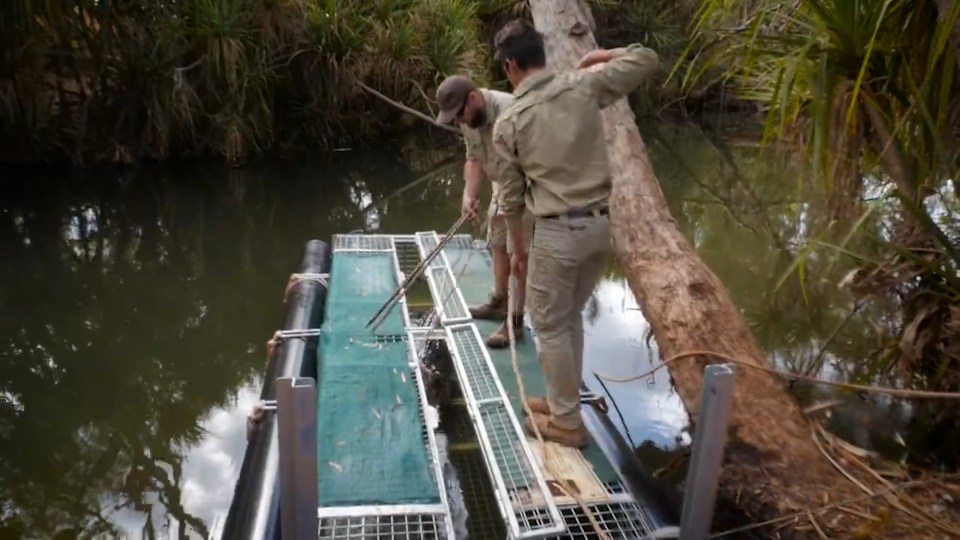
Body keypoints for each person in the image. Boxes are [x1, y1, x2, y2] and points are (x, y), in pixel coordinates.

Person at [491, 19, 659, 448]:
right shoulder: (583, 88)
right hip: (600, 228)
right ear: (541, 56)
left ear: (511, 65)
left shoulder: (509, 123)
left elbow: (510, 200)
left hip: (558, 233)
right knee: (568, 321)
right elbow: (645, 58)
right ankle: (561, 401)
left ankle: (567, 425)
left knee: (549, 327)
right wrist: (599, 57)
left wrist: (517, 248)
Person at [435, 74, 534, 348]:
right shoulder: (469, 119)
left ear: (473, 98)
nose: (460, 122)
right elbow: (473, 158)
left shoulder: (510, 111)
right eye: (454, 119)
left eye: (460, 115)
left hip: (528, 187)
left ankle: (515, 321)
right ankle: (499, 301)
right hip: (503, 184)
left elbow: (524, 168)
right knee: (497, 244)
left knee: (518, 254)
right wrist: (469, 195)